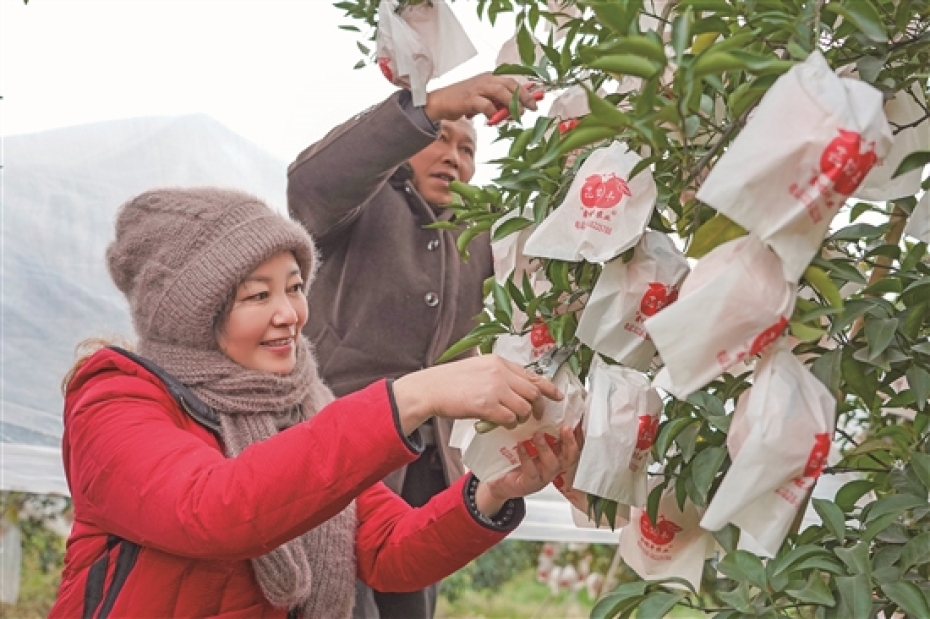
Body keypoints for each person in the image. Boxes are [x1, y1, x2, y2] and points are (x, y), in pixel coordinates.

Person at [49, 187, 581, 618]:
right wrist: (412, 395)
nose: (290, 314)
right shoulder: (116, 399)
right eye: (259, 295)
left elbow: (388, 548)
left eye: (295, 287)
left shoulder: (303, 405)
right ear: (194, 314)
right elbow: (213, 509)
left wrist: (491, 491)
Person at [287, 72, 540, 618]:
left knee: (410, 598)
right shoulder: (360, 205)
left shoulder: (481, 231)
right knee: (334, 598)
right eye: (440, 137)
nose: (454, 157)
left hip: (430, 463)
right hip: (339, 445)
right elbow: (313, 183)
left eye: (468, 149)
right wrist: (427, 108)